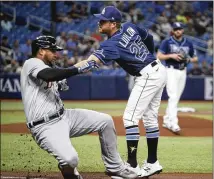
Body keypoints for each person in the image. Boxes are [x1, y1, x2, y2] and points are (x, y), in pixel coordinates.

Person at [20, 35, 138, 179]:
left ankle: (115, 168)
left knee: (105, 121)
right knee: (70, 160)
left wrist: (88, 62)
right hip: (45, 126)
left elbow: (61, 72)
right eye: (53, 51)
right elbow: (49, 75)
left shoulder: (48, 66)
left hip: (64, 116)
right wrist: (77, 70)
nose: (57, 54)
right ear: (41, 51)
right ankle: (69, 173)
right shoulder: (31, 63)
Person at [79, 6, 167, 178]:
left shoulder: (111, 44)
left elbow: (92, 61)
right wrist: (149, 55)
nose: (99, 22)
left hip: (147, 75)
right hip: (158, 69)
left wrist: (69, 71)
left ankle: (132, 166)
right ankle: (152, 163)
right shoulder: (129, 26)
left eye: (103, 20)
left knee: (129, 118)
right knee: (149, 118)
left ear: (113, 24)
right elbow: (148, 37)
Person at [157, 22, 198, 133]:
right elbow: (159, 56)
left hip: (182, 71)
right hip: (170, 70)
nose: (178, 31)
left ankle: (166, 119)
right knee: (173, 96)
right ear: (173, 31)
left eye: (179, 29)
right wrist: (171, 55)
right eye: (176, 29)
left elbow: (195, 58)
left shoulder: (188, 43)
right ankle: (173, 123)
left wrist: (188, 59)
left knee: (175, 98)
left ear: (182, 30)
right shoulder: (167, 42)